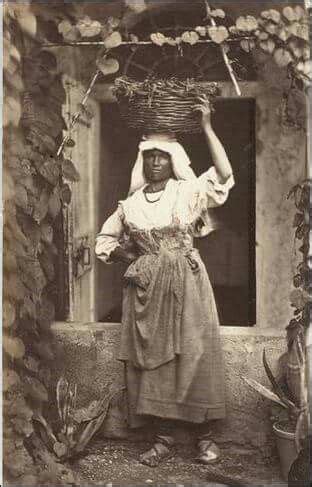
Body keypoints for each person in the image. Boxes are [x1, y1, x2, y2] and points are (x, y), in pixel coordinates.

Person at [95, 99, 235, 466]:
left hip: (188, 282)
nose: (156, 162)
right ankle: (162, 439)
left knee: (195, 354)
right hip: (146, 291)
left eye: (162, 156)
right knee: (152, 364)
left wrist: (206, 126)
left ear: (173, 159)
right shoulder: (131, 204)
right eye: (149, 156)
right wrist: (134, 259)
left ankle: (204, 438)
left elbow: (222, 174)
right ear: (142, 161)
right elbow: (105, 241)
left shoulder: (186, 193)